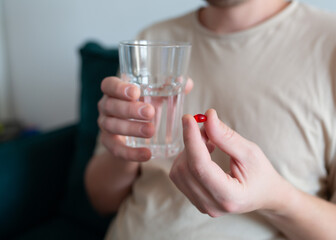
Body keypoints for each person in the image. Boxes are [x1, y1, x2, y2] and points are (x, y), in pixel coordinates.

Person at [85, 0, 336, 239]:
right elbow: (101, 200)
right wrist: (124, 151)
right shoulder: (152, 39)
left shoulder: (328, 43)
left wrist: (276, 198)